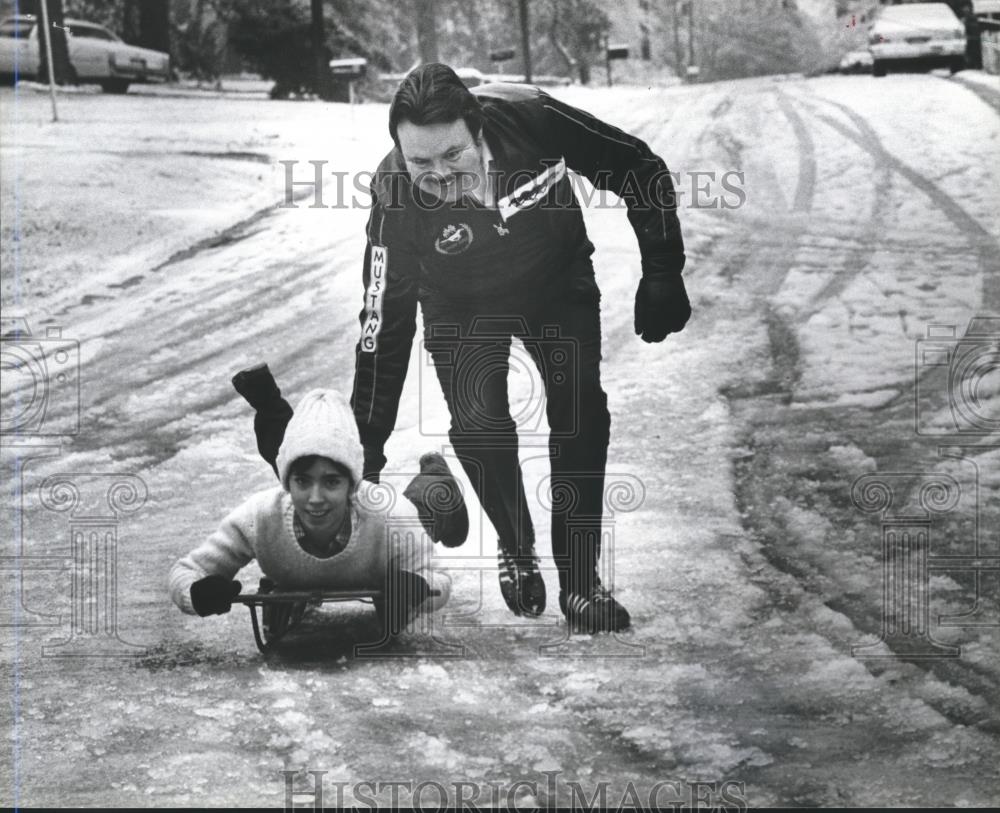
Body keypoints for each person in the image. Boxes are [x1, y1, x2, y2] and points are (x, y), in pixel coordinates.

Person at [350, 64, 691, 633]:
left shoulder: (531, 117)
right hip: (459, 300)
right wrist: (367, 453)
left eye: (452, 155)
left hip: (554, 279)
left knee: (579, 409)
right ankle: (515, 543)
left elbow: (638, 166)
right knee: (479, 423)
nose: (438, 175)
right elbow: (382, 323)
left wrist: (662, 269)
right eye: (420, 163)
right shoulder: (395, 195)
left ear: (478, 130)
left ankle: (581, 584)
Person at [168, 388, 452, 637]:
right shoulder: (260, 516)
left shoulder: (391, 515)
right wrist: (197, 594)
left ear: (352, 485)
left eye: (331, 482)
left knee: (423, 512)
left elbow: (439, 580)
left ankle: (438, 479)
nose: (315, 499)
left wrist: (417, 588)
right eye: (303, 481)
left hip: (392, 545)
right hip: (313, 569)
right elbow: (185, 572)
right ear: (287, 482)